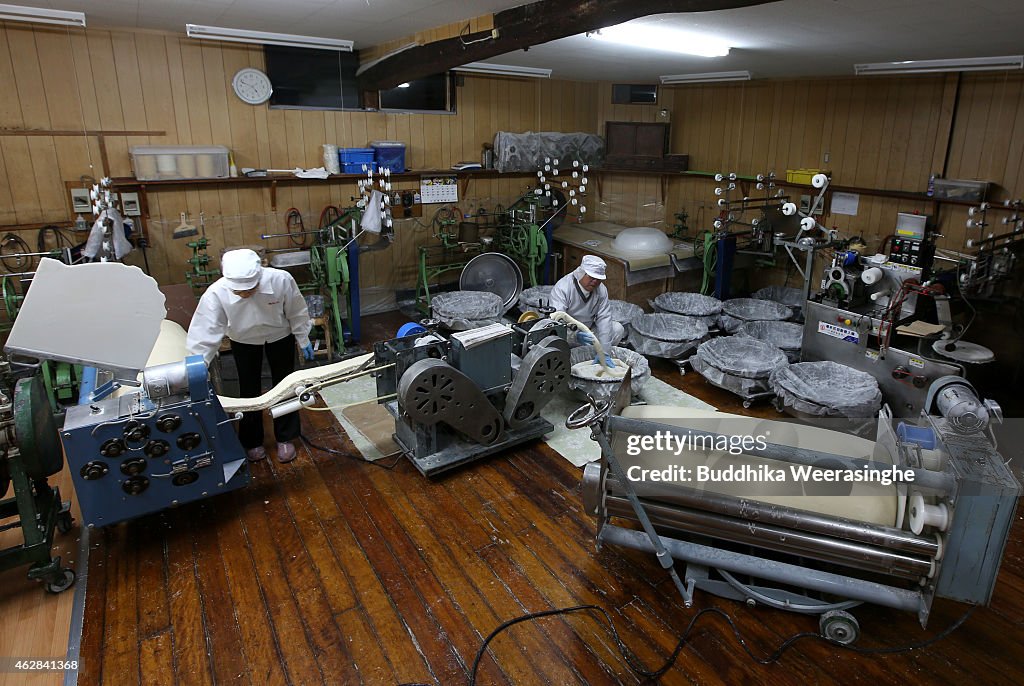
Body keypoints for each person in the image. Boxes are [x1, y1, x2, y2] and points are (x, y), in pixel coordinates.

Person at [186, 249, 314, 464]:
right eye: (239, 291)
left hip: (279, 335)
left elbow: (297, 310)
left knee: (286, 385)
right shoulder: (216, 293)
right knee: (248, 389)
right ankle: (252, 441)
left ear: (260, 275)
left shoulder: (280, 280)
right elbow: (205, 329)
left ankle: (285, 437)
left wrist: (303, 338)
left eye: (250, 289)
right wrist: (197, 364)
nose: (244, 294)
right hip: (243, 340)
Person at [548, 255, 624, 367]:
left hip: (588, 333)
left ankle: (596, 358)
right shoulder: (563, 288)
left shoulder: (601, 290)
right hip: (567, 334)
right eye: (591, 277)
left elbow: (604, 319)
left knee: (617, 329)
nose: (595, 282)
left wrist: (605, 352)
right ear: (581, 273)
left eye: (598, 279)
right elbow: (556, 322)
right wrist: (574, 335)